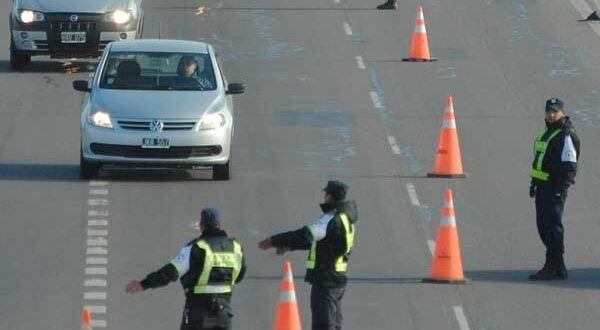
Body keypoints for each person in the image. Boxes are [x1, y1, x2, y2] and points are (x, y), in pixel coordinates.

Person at [258, 181, 358, 330]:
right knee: (334, 323)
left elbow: (305, 235)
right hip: (337, 278)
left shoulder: (330, 220)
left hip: (326, 280)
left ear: (330, 196)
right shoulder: (345, 219)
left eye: (326, 194)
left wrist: (274, 240)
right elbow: (318, 242)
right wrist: (288, 246)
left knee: (323, 325)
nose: (324, 197)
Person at [126, 208, 246, 329]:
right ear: (219, 224)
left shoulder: (197, 246)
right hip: (223, 314)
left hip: (198, 313)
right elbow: (239, 277)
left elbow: (171, 272)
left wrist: (144, 284)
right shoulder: (235, 247)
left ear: (201, 226)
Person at [528, 98, 580, 281]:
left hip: (554, 189)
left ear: (562, 112)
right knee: (544, 226)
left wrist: (561, 190)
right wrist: (534, 184)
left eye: (555, 111)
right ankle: (559, 265)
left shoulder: (565, 134)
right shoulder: (549, 133)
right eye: (549, 111)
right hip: (543, 187)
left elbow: (570, 166)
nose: (551, 114)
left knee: (552, 227)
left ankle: (552, 266)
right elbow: (540, 162)